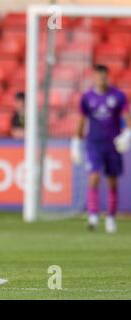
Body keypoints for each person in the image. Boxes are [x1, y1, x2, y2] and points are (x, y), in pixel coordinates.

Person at [71, 65, 131, 233]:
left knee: (112, 183)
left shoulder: (118, 96)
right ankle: (93, 217)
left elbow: (127, 118)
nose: (101, 79)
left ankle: (111, 217)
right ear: (94, 77)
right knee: (94, 177)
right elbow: (82, 121)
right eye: (98, 76)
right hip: (94, 144)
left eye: (104, 76)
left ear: (108, 77)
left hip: (113, 145)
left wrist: (127, 135)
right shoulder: (87, 98)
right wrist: (76, 142)